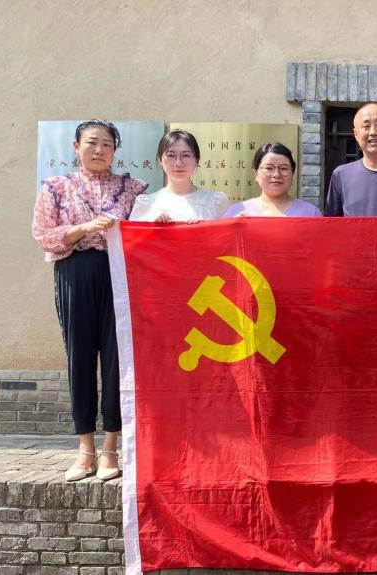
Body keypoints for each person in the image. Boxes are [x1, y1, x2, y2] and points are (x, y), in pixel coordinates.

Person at [32, 119, 148, 482]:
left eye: (107, 144)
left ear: (115, 150)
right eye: (92, 143)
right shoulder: (55, 187)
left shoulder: (134, 188)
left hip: (120, 274)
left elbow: (145, 231)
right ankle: (85, 449)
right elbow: (43, 234)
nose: (99, 150)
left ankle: (111, 447)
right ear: (75, 146)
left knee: (117, 358)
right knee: (79, 357)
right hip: (74, 271)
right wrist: (82, 229)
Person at [129, 130, 229, 222]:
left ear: (197, 160)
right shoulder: (147, 204)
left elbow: (229, 234)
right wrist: (151, 225)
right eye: (171, 155)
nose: (178, 163)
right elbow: (133, 234)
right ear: (160, 160)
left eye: (185, 155)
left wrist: (205, 228)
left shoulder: (215, 203)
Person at [223, 142, 321, 217]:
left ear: (293, 174)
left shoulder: (310, 213)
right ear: (256, 174)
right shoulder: (236, 212)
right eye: (269, 168)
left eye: (283, 168)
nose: (276, 175)